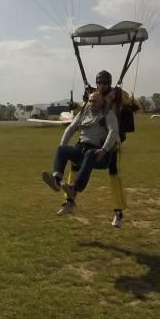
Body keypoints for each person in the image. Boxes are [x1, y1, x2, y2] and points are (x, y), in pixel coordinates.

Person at [58, 70, 133, 227]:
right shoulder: (93, 96)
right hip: (91, 141)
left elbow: (133, 104)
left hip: (111, 143)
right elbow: (86, 108)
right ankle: (69, 200)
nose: (102, 86)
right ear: (97, 83)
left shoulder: (118, 94)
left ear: (110, 83)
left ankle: (118, 214)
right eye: (100, 83)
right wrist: (76, 106)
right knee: (75, 165)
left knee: (114, 174)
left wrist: (126, 101)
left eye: (105, 83)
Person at [42, 90, 120, 214]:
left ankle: (74, 188)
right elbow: (71, 128)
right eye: (90, 101)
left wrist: (104, 150)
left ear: (102, 102)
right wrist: (63, 144)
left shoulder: (108, 114)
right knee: (62, 149)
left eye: (95, 101)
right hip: (82, 151)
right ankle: (56, 180)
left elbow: (113, 132)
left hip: (100, 155)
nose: (92, 103)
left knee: (90, 153)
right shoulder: (83, 113)